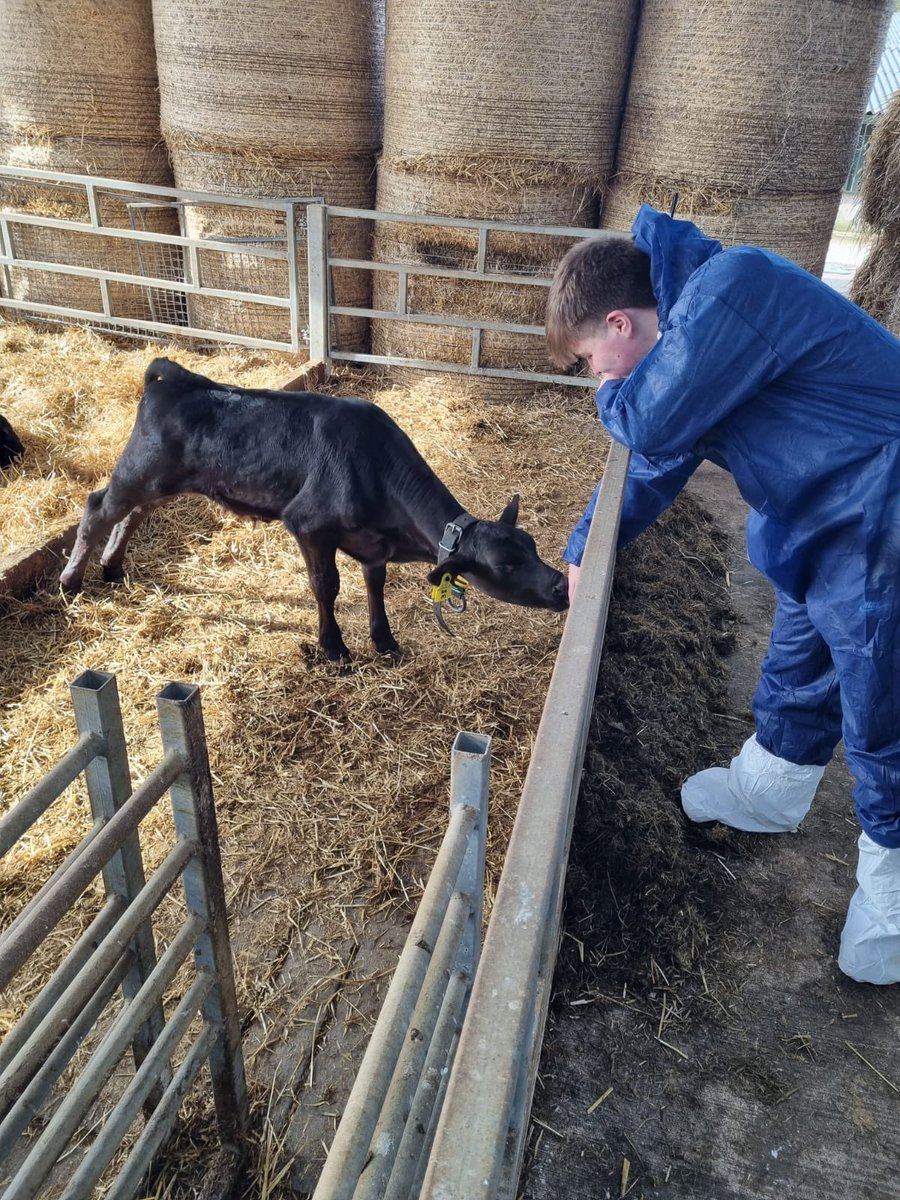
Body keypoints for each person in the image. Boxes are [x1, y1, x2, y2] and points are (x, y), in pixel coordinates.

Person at [545, 205, 900, 986]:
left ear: (618, 321)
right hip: (825, 511)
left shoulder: (732, 289)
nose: (597, 378)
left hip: (881, 511)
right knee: (800, 661)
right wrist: (582, 554)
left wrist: (614, 401)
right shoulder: (692, 338)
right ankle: (770, 789)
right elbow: (657, 461)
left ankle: (892, 898)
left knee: (881, 702)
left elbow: (644, 422)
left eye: (591, 360)